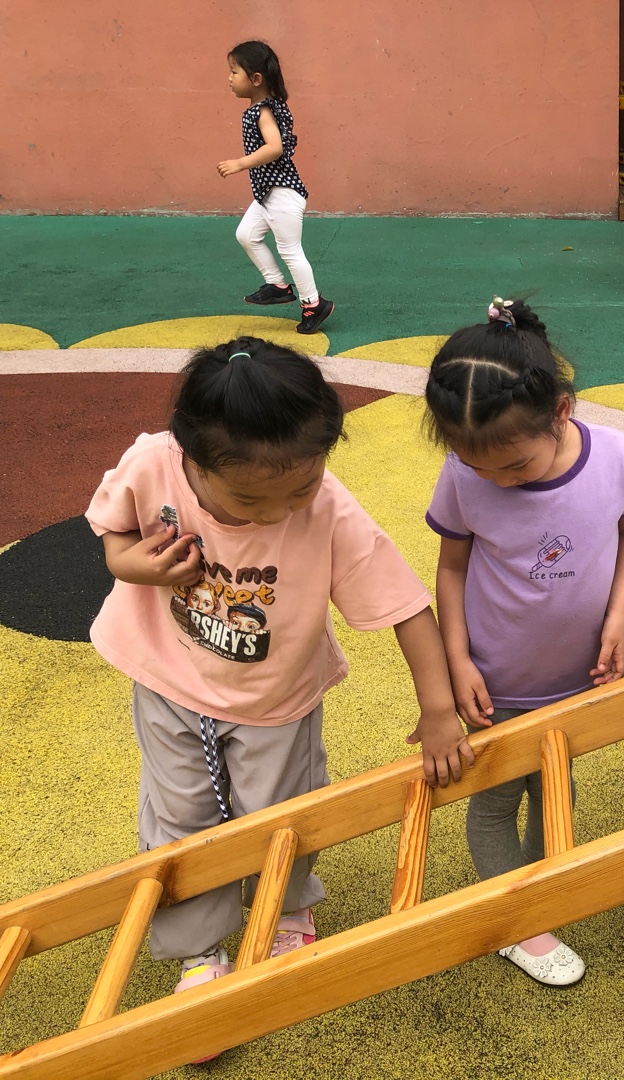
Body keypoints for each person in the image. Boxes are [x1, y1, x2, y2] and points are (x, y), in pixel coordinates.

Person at [85, 338, 467, 1038]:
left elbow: (405, 606)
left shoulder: (327, 510)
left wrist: (439, 710)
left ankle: (288, 909)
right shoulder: (153, 462)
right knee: (180, 817)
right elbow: (113, 532)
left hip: (276, 701)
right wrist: (135, 566)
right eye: (249, 498)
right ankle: (200, 949)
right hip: (168, 678)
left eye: (301, 486)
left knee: (282, 813)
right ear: (192, 459)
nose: (277, 512)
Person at [424, 297, 624, 986]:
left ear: (561, 411)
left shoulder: (615, 456)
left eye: (515, 466)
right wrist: (457, 661)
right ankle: (517, 923)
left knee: (557, 787)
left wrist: (619, 616)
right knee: (495, 798)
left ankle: (533, 896)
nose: (496, 481)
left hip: (579, 674)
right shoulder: (465, 472)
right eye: (477, 466)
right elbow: (452, 567)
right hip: (495, 680)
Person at [220, 41, 334, 334]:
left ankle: (313, 304)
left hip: (282, 193)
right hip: (267, 194)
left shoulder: (264, 111)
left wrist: (240, 163)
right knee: (246, 235)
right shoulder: (257, 109)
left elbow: (275, 147)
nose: (229, 78)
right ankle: (278, 286)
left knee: (290, 251)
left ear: (256, 78)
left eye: (234, 72)